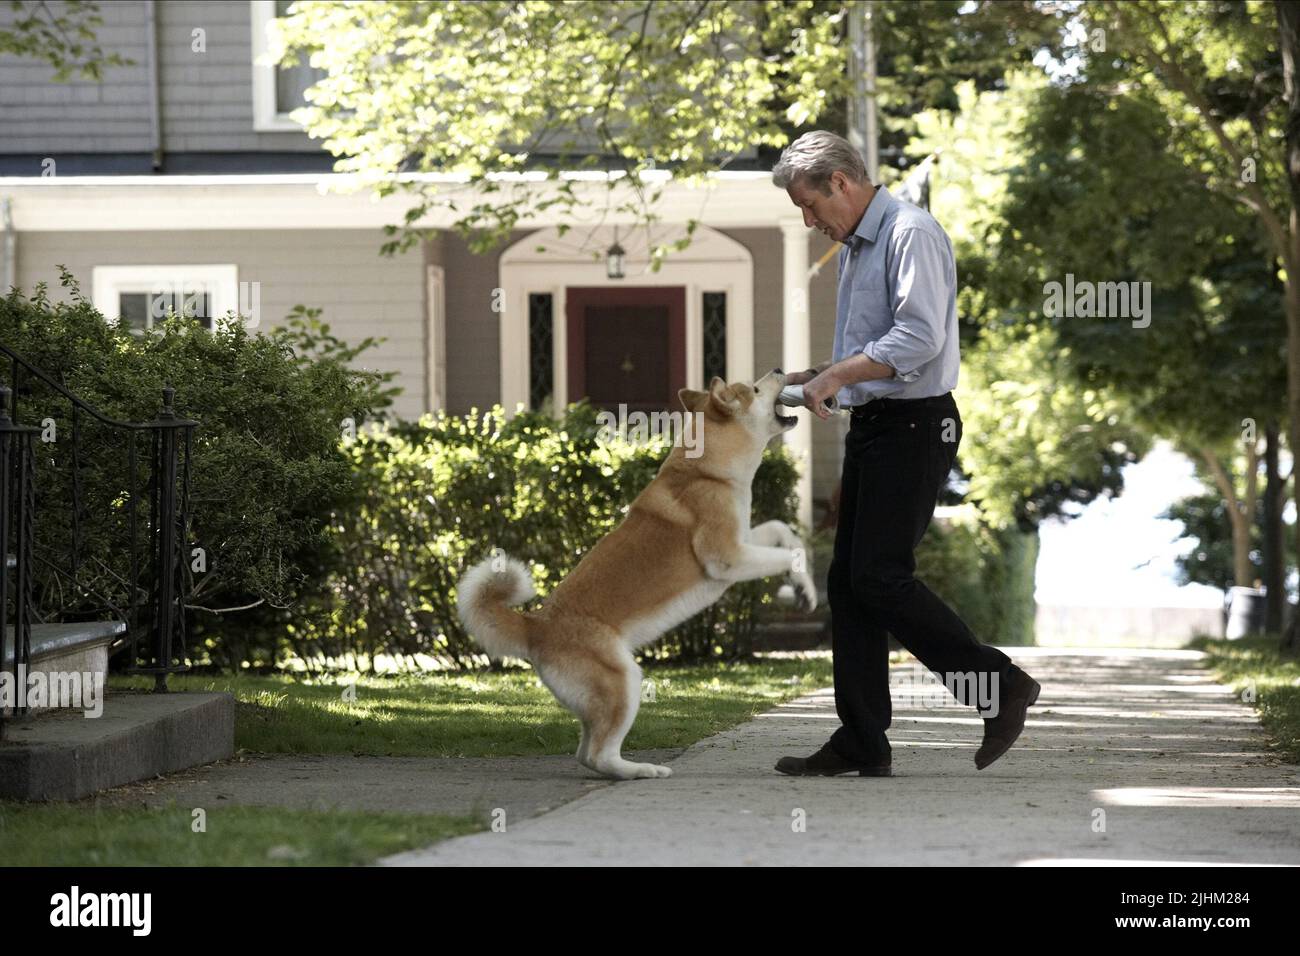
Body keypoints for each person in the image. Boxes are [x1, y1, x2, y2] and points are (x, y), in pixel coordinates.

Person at [770, 130, 1040, 776]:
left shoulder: (908, 233)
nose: (809, 223)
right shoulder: (857, 250)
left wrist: (833, 380)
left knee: (878, 576)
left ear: (840, 181)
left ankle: (999, 687)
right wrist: (812, 375)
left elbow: (917, 337)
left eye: (810, 206)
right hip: (878, 427)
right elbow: (870, 352)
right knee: (849, 581)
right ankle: (863, 737)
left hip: (917, 425)